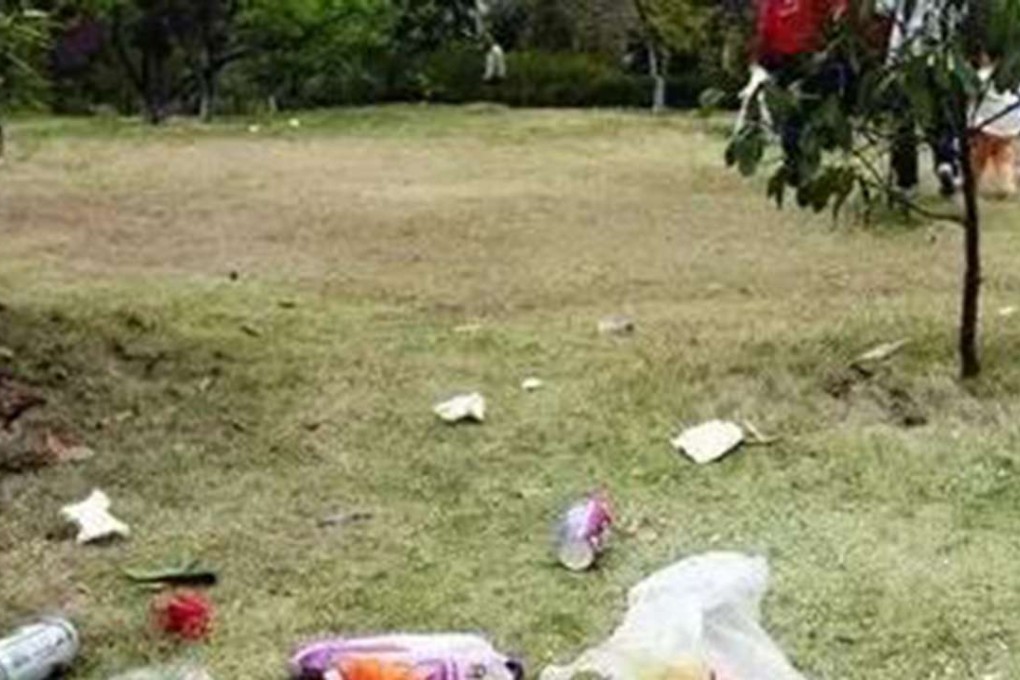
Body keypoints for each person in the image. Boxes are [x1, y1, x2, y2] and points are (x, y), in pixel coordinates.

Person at [880, 0, 963, 197]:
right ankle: (946, 163)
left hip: (903, 60)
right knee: (941, 116)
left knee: (903, 122)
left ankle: (906, 181)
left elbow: (882, 8)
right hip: (938, 60)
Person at [971, 55, 1020, 197]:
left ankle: (972, 184)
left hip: (987, 124)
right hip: (1011, 124)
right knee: (1004, 154)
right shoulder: (1014, 75)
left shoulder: (981, 76)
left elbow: (971, 98)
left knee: (979, 157)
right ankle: (1005, 185)